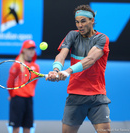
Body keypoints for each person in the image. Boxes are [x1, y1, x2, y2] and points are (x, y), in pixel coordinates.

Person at [47, 5, 111, 133]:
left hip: (97, 96)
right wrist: (56, 69)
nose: (79, 25)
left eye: (83, 21)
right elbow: (62, 54)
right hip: (75, 96)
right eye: (77, 22)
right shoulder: (72, 35)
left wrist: (68, 71)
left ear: (92, 20)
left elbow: (90, 59)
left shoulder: (102, 38)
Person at [7, 40, 39, 133]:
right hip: (17, 100)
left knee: (27, 126)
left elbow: (34, 83)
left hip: (29, 99)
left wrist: (29, 92)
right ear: (23, 50)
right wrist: (13, 95)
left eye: (33, 48)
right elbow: (10, 83)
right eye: (29, 48)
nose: (32, 51)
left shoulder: (36, 67)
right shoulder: (17, 65)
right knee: (16, 127)